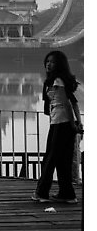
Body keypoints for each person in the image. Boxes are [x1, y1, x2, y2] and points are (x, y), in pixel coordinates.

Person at [32, 50, 83, 204]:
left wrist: (73, 124)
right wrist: (77, 122)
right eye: (47, 61)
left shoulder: (57, 81)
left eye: (52, 62)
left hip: (62, 124)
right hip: (62, 123)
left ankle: (42, 192)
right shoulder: (57, 81)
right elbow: (73, 102)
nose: (48, 64)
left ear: (59, 64)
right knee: (63, 160)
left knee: (50, 159)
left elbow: (67, 104)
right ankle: (67, 194)